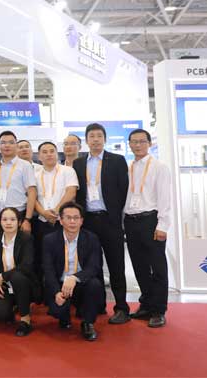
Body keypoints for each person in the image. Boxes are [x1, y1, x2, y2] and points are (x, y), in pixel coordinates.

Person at [73, 122, 130, 324]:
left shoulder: (117, 160)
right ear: (86, 140)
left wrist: (117, 216)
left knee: (116, 265)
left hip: (110, 220)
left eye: (99, 136)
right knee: (92, 266)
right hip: (88, 221)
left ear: (105, 139)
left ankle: (121, 307)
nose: (95, 139)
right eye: (92, 136)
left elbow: (124, 190)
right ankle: (97, 304)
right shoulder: (78, 163)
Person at [124, 129, 171, 328]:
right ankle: (146, 304)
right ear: (129, 144)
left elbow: (164, 198)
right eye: (134, 142)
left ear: (149, 143)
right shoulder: (128, 168)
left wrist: (163, 225)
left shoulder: (159, 167)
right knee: (139, 266)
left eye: (142, 141)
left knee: (157, 267)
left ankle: (159, 310)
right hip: (131, 221)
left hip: (150, 220)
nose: (137, 145)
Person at [43, 201, 104, 341]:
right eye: (68, 218)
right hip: (59, 285)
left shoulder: (91, 238)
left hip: (80, 283)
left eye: (76, 218)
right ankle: (64, 315)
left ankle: (88, 323)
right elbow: (48, 269)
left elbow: (94, 266)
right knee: (57, 311)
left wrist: (74, 278)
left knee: (94, 284)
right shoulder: (49, 240)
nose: (72, 221)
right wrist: (56, 292)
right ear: (60, 220)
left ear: (81, 221)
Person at [0, 207, 39, 336]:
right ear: (0, 222)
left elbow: (26, 266)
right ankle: (14, 307)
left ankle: (25, 319)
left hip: (25, 283)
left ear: (19, 222)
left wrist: (4, 276)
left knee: (17, 277)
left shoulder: (26, 238)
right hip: (6, 287)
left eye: (12, 219)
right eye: (4, 219)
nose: (8, 223)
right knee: (0, 315)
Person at [33, 142, 78, 290]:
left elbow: (71, 192)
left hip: (63, 222)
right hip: (42, 222)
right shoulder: (35, 175)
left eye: (52, 151)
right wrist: (43, 213)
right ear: (39, 156)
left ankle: (65, 289)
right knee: (43, 258)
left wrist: (56, 211)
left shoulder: (68, 171)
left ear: (57, 153)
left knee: (63, 257)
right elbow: (32, 198)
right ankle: (46, 292)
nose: (49, 154)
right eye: (44, 152)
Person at [0, 131, 36, 234]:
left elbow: (32, 192)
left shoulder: (25, 166)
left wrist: (27, 219)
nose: (7, 145)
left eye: (11, 142)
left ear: (16, 146)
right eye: (3, 143)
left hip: (19, 216)